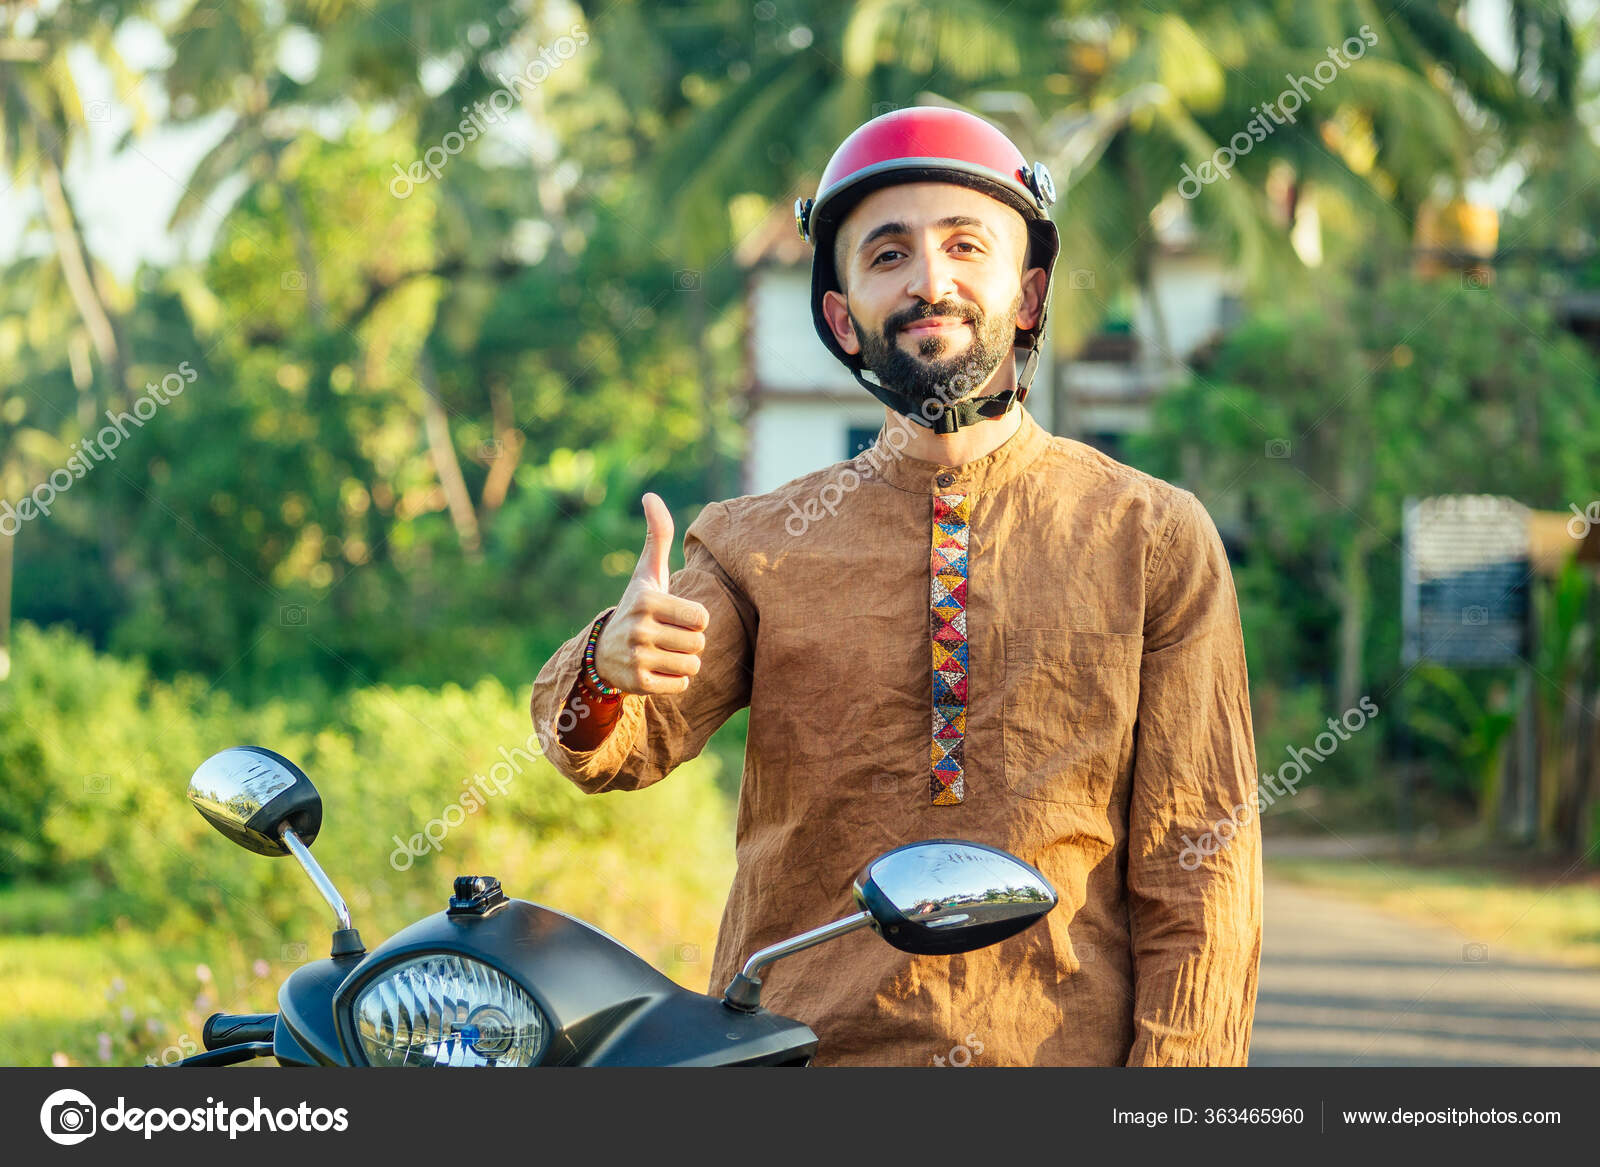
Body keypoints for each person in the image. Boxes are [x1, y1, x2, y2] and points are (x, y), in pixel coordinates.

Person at [529, 106, 1262, 1066]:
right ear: (842, 317)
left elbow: (1199, 876)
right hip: (790, 1062)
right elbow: (612, 750)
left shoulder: (1153, 536)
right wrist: (609, 666)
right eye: (886, 256)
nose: (930, 281)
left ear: (1030, 293)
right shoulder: (755, 546)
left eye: (966, 246)